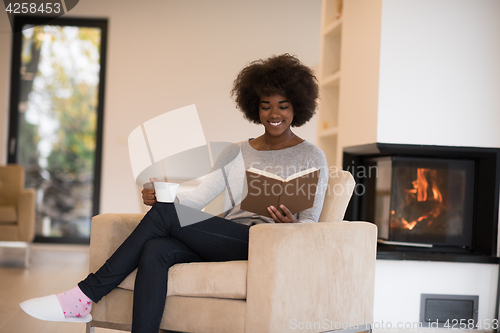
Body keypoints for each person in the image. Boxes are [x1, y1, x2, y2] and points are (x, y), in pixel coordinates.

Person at [20, 54, 329, 333]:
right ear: (255, 107)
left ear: (298, 107)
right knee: (156, 248)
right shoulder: (236, 152)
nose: (274, 113)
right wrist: (163, 196)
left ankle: (85, 296)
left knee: (167, 216)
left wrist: (292, 228)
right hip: (229, 236)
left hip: (269, 244)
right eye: (266, 105)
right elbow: (198, 197)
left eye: (283, 106)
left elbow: (311, 223)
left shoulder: (312, 156)